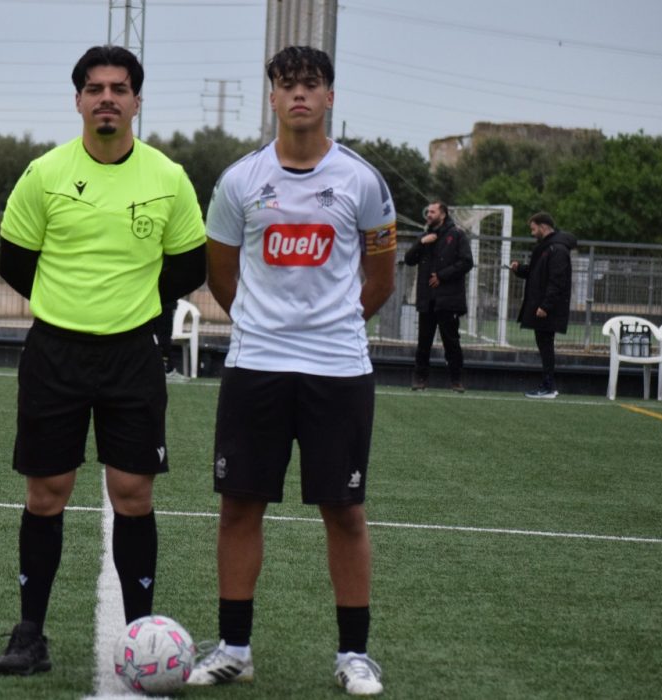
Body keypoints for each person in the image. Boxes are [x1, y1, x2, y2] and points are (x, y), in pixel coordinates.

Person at [0, 45, 206, 676]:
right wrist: (72, 305)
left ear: (137, 100)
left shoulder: (167, 177)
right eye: (95, 88)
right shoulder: (44, 174)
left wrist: (133, 307)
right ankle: (30, 635)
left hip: (132, 354)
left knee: (133, 493)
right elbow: (16, 263)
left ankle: (142, 637)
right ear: (78, 100)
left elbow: (188, 267)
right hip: (55, 353)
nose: (106, 98)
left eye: (119, 88)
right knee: (46, 492)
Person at [187, 46, 395, 697]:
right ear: (272, 97)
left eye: (311, 84)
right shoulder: (239, 181)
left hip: (338, 369)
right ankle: (234, 648)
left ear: (329, 96)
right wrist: (263, 325)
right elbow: (222, 274)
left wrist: (331, 328)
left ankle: (354, 655)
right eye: (287, 85)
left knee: (345, 511)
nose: (299, 94)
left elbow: (380, 280)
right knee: (239, 507)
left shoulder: (362, 180)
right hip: (256, 365)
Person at [403, 201, 474, 392]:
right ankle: (420, 379)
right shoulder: (424, 237)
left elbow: (467, 262)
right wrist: (420, 243)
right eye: (428, 211)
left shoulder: (457, 234)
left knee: (451, 342)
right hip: (427, 300)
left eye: (433, 212)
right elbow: (408, 260)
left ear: (443, 214)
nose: (429, 214)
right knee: (423, 342)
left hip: (449, 300)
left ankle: (456, 380)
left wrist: (442, 276)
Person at [509, 211, 577, 399]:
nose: (532, 233)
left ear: (543, 226)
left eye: (533, 229)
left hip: (548, 309)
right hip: (542, 306)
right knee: (544, 345)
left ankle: (548, 387)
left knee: (546, 346)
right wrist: (519, 269)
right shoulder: (546, 247)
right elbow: (535, 272)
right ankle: (548, 385)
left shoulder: (557, 249)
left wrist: (546, 306)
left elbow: (557, 281)